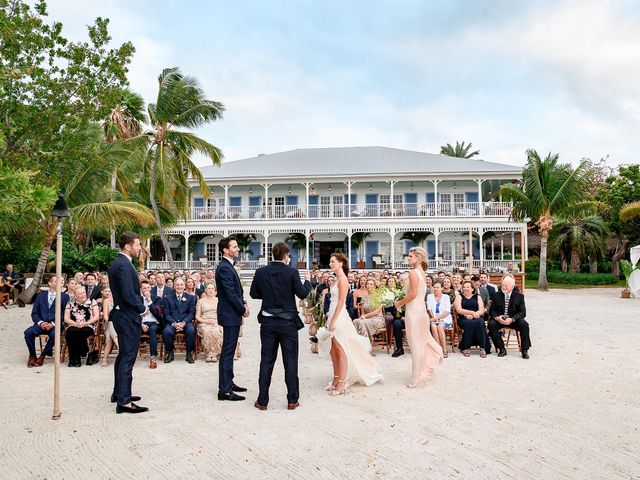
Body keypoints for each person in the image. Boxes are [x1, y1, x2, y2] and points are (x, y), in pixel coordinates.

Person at [250, 242, 312, 410]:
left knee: (266, 361)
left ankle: (262, 401)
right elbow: (303, 294)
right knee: (290, 361)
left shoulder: (261, 272)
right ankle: (292, 400)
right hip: (288, 323)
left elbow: (253, 294)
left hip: (268, 322)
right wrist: (308, 281)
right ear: (286, 256)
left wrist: (269, 295)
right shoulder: (291, 272)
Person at [318, 253, 382, 395]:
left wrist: (334, 320)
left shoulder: (343, 280)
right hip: (332, 315)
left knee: (341, 349)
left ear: (341, 263)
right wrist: (329, 317)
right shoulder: (335, 280)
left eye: (333, 261)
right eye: (330, 261)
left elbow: (341, 301)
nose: (330, 264)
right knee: (333, 349)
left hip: (339, 317)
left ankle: (342, 382)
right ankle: (335, 379)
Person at [108, 231, 148, 414]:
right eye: (138, 245)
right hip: (126, 317)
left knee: (123, 355)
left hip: (122, 315)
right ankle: (124, 402)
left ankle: (119, 392)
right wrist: (142, 308)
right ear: (128, 246)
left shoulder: (121, 263)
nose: (140, 248)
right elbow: (128, 294)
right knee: (128, 357)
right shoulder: (123, 265)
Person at [393, 247, 443, 387]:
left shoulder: (414, 273)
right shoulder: (423, 272)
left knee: (415, 344)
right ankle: (422, 372)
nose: (408, 258)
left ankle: (418, 377)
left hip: (414, 312)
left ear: (418, 257)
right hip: (421, 311)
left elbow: (413, 294)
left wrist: (399, 303)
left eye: (410, 256)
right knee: (421, 342)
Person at [215, 236, 250, 402]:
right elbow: (229, 293)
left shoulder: (228, 266)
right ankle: (225, 391)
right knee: (228, 352)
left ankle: (228, 382)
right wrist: (242, 309)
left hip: (231, 314)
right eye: (234, 247)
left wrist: (243, 301)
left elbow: (236, 292)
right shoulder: (224, 268)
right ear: (225, 250)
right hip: (230, 315)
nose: (238, 249)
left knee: (230, 350)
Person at [24, 276, 69, 367]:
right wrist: (40, 322)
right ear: (50, 283)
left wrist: (52, 323)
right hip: (41, 324)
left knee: (54, 335)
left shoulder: (64, 297)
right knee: (28, 332)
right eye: (56, 281)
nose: (59, 283)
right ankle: (32, 355)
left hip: (55, 325)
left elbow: (64, 314)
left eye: (60, 282)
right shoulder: (40, 296)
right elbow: (34, 313)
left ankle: (43, 356)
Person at [488, 275, 531, 359]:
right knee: (491, 324)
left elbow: (523, 312)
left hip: (513, 319)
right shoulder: (497, 295)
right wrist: (497, 318)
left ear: (512, 286)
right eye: (502, 285)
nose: (503, 287)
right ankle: (501, 348)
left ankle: (524, 350)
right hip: (500, 319)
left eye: (506, 285)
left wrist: (512, 319)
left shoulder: (519, 296)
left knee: (525, 325)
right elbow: (492, 311)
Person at [162, 278, 196, 363]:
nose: (179, 286)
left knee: (191, 330)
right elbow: (166, 314)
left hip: (186, 322)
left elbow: (191, 313)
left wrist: (183, 323)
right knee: (166, 331)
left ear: (184, 286)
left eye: (181, 285)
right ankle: (170, 352)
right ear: (174, 286)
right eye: (177, 285)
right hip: (172, 322)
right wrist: (174, 323)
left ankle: (189, 353)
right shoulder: (167, 298)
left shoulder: (191, 298)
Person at [64, 286, 99, 367]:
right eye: (80, 294)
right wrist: (75, 324)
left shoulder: (92, 302)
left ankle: (75, 358)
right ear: (75, 295)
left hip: (88, 325)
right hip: (74, 324)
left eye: (83, 293)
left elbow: (96, 316)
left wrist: (85, 323)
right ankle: (75, 357)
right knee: (70, 332)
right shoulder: (70, 303)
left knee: (79, 332)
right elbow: (66, 318)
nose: (83, 295)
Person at [454, 280, 487, 358]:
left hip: (477, 316)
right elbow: (459, 310)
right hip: (463, 318)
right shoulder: (459, 296)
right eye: (464, 287)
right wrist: (472, 312)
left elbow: (481, 310)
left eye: (468, 287)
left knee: (479, 323)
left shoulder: (477, 296)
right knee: (469, 323)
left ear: (472, 289)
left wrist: (474, 315)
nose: (466, 289)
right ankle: (466, 347)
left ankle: (482, 347)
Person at [195, 282, 224, 363]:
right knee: (207, 331)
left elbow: (222, 314)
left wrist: (216, 321)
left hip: (217, 321)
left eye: (212, 288)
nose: (210, 290)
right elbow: (197, 316)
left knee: (217, 330)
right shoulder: (201, 301)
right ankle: (208, 353)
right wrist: (206, 321)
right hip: (204, 322)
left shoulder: (219, 301)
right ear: (205, 290)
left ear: (215, 290)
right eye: (208, 288)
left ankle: (215, 353)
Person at [140, 280, 164, 368]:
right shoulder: (137, 299)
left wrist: (149, 300)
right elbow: (133, 314)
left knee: (152, 330)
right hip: (141, 323)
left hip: (154, 323)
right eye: (144, 288)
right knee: (132, 329)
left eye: (148, 288)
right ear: (141, 289)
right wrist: (140, 324)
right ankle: (131, 354)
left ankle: (153, 357)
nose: (146, 290)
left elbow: (157, 314)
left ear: (151, 288)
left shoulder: (157, 299)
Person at [353, 278, 385, 343]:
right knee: (355, 321)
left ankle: (367, 345)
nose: (369, 285)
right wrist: (363, 317)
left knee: (362, 323)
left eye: (371, 284)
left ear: (374, 286)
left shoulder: (379, 297)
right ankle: (359, 344)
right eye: (367, 284)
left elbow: (376, 312)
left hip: (378, 319)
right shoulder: (364, 298)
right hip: (366, 319)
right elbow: (362, 313)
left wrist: (364, 316)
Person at [427, 281, 452, 358]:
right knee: (434, 327)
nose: (436, 289)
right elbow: (429, 309)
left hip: (445, 318)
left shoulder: (446, 297)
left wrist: (437, 318)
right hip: (433, 318)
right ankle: (438, 349)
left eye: (438, 287)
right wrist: (434, 318)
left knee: (440, 326)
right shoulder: (429, 296)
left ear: (441, 288)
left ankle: (444, 349)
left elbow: (447, 311)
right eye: (434, 287)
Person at [100, 286, 118, 367]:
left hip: (119, 323)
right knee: (111, 325)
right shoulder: (106, 301)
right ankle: (121, 349)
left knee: (110, 338)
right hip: (109, 322)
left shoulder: (119, 300)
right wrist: (112, 321)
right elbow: (105, 316)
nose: (109, 293)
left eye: (110, 291)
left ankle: (105, 359)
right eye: (106, 291)